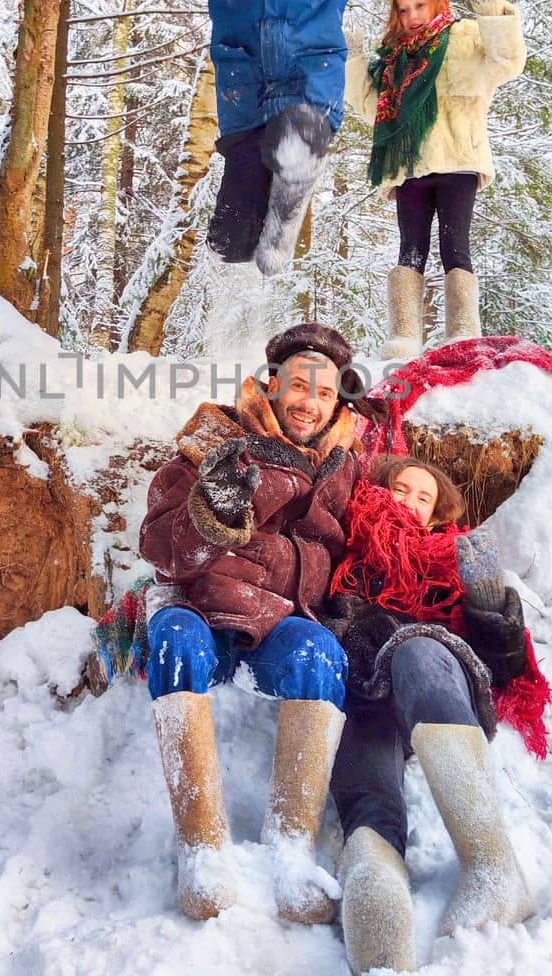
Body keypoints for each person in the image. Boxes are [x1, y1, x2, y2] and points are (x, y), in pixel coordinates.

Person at [44, 0, 482, 277]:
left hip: (309, 100)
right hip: (245, 110)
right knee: (229, 245)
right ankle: (238, 312)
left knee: (296, 138)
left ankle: (286, 222)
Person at [136, 323, 366, 923]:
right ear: (271, 384)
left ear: (337, 400)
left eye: (323, 392)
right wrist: (207, 514)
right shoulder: (218, 437)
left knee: (319, 655)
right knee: (173, 640)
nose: (308, 403)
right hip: (203, 609)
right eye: (297, 386)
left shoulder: (343, 464)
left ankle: (291, 849)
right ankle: (202, 846)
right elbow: (160, 548)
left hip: (284, 620)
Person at [323, 454, 546, 973]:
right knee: (362, 743)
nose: (409, 502)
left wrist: (489, 605)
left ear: (437, 515)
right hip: (365, 689)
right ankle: (374, 880)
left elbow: (506, 668)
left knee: (415, 648)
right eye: (401, 489)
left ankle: (492, 864)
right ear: (379, 491)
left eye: (424, 498)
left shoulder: (450, 557)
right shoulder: (344, 551)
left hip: (435, 680)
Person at [345, 0, 526, 355]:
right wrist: (355, 61)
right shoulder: (395, 58)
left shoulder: (465, 40)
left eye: (419, 6)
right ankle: (405, 336)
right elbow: (371, 108)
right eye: (403, 9)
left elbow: (506, 63)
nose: (411, 16)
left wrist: (492, 14)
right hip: (409, 168)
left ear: (441, 4)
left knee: (454, 243)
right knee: (410, 246)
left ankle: (462, 332)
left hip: (458, 159)